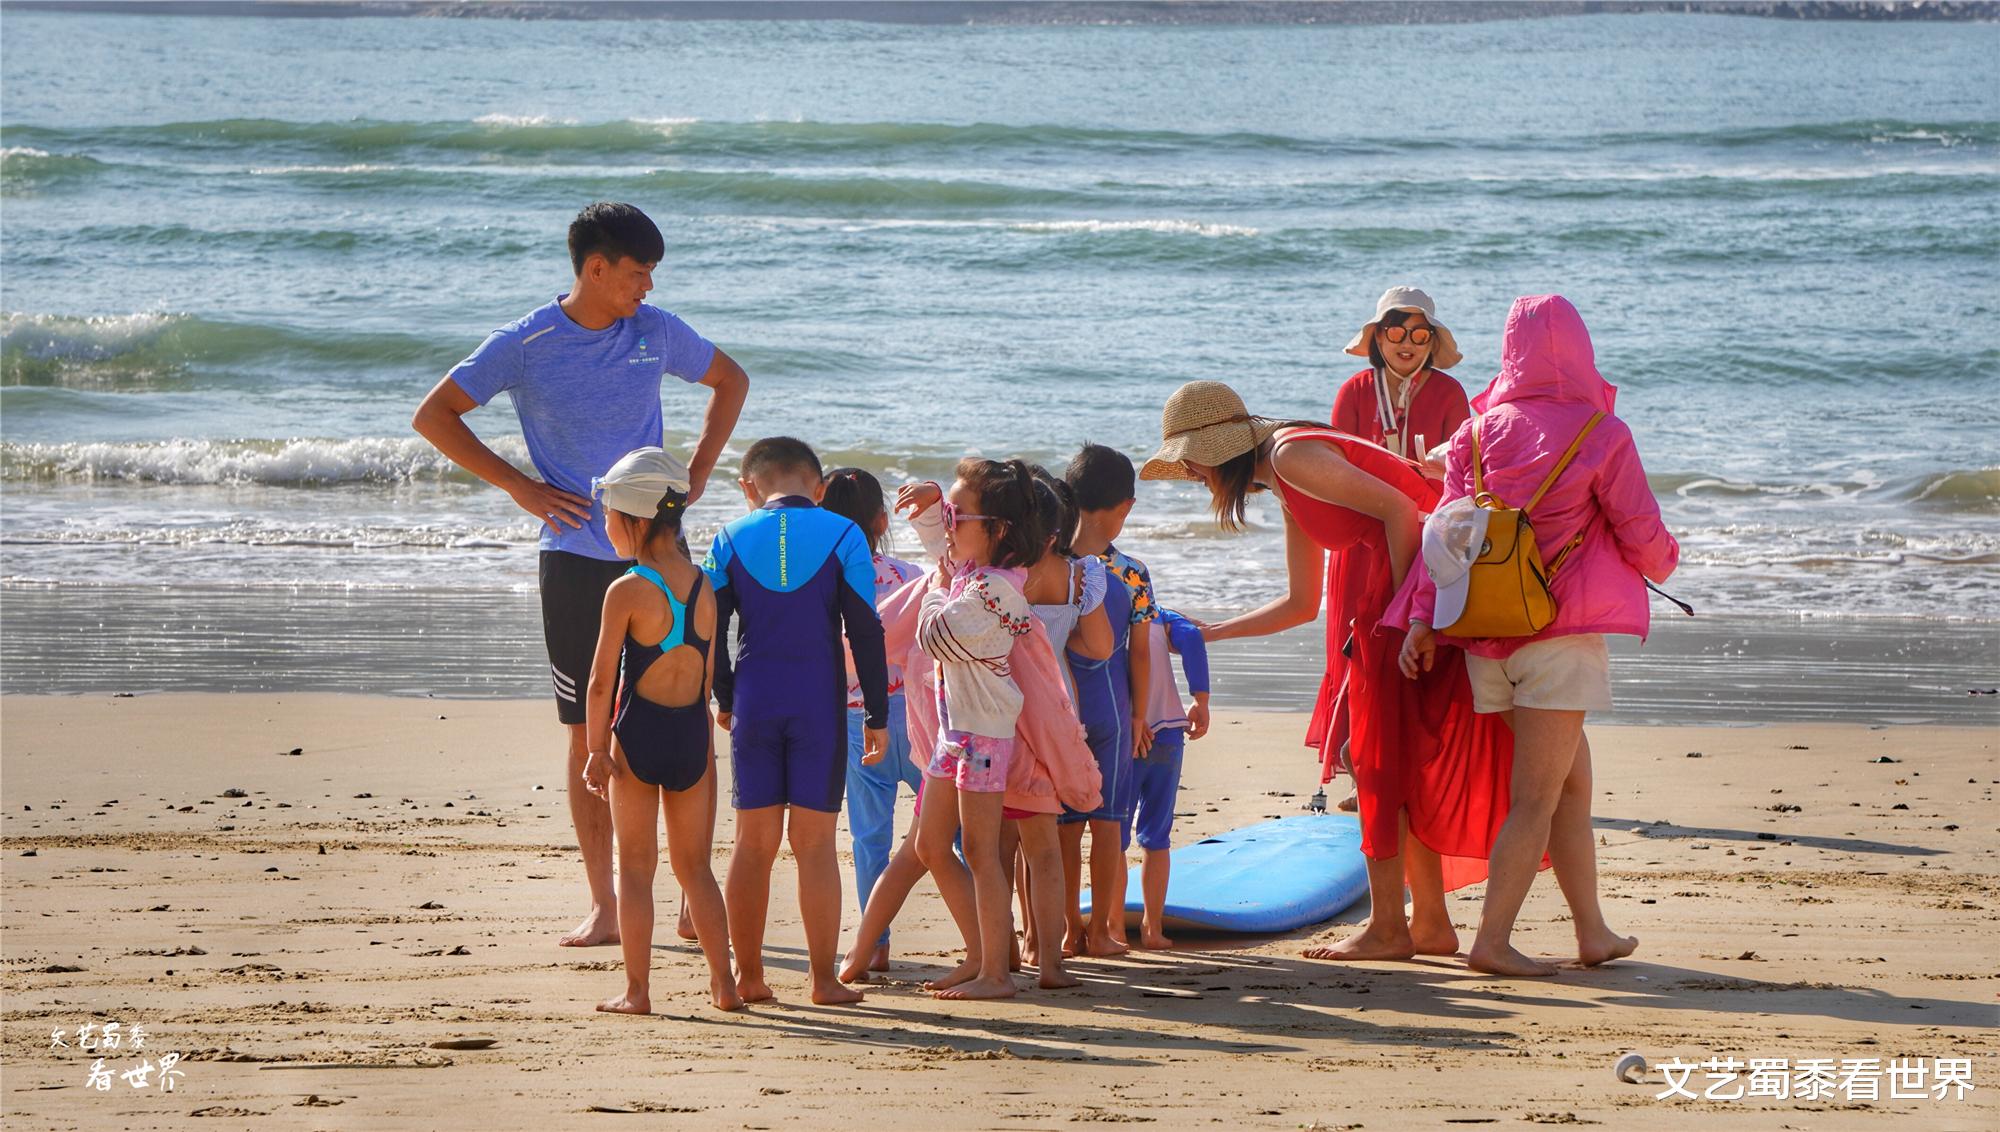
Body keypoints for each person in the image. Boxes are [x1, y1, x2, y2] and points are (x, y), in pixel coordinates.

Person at [412, 201, 749, 948]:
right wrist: (520, 487)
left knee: (686, 716)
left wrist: (694, 473)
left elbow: (731, 381)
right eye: (636, 274)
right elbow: (434, 415)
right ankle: (605, 903)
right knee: (585, 732)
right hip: (572, 560)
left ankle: (693, 894)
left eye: (652, 275)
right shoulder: (525, 342)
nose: (647, 289)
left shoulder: (654, 332)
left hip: (662, 559)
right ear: (595, 269)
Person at [1142, 380, 1513, 963]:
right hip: (1398, 607)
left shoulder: (1293, 455)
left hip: (1404, 607)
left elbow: (1403, 512)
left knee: (1378, 768)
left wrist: (1405, 622)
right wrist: (1210, 633)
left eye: (1190, 460)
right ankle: (1431, 923)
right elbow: (1300, 604)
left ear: (1218, 449)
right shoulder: (1284, 477)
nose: (1190, 475)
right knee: (1393, 767)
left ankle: (1390, 928)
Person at [1395, 294, 1678, 977]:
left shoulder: (1474, 433)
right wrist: (1666, 563)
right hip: (1560, 639)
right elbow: (1643, 535)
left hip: (1486, 639)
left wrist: (1422, 619)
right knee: (1537, 798)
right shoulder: (1601, 434)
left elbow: (1447, 538)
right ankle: (1492, 941)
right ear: (1580, 349)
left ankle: (1593, 933)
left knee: (1570, 788)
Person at [705, 437, 887, 1006]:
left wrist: (725, 696)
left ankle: (749, 977)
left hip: (757, 699)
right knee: (814, 845)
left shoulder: (729, 536)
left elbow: (710, 630)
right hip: (818, 704)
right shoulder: (844, 534)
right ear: (820, 486)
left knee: (751, 845)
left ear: (748, 486)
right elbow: (865, 630)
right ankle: (822, 981)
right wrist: (878, 713)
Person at [913, 459, 1099, 1000]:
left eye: (956, 514)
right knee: (931, 844)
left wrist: (936, 590)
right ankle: (981, 956)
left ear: (997, 530)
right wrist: (930, 511)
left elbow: (937, 636)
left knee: (980, 851)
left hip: (983, 737)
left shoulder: (995, 592)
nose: (948, 524)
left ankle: (997, 971)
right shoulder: (974, 575)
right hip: (959, 732)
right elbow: (940, 558)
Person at [578, 448, 741, 1014]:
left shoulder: (625, 589)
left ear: (637, 519)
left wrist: (596, 749)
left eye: (608, 515)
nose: (605, 524)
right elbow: (706, 676)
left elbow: (601, 683)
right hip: (692, 742)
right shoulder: (703, 585)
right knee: (696, 868)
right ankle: (725, 985)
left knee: (638, 871)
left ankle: (638, 991)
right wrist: (704, 747)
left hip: (638, 739)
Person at [1319, 287, 1472, 802]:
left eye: (1419, 334)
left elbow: (1463, 478)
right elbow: (1334, 470)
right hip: (1361, 548)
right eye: (1395, 332)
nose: (1407, 343)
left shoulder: (1450, 394)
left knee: (1416, 650)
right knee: (1357, 649)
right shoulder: (1355, 390)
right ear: (1377, 337)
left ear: (1432, 341)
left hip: (1428, 543)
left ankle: (1414, 767)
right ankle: (1363, 762)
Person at [819, 468, 924, 975]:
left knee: (869, 837)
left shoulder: (822, 583)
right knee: (957, 834)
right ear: (882, 519)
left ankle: (875, 942)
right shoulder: (910, 575)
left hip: (857, 717)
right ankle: (990, 937)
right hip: (920, 716)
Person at [1060, 443, 1156, 956]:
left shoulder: (1048, 564)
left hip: (1058, 710)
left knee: (1061, 829)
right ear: (1125, 507)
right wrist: (1141, 714)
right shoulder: (1131, 572)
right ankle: (1101, 932)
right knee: (1108, 824)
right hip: (1114, 709)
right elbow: (1139, 654)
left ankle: (1063, 930)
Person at [1130, 607, 1210, 950]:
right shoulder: (1159, 614)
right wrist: (1201, 701)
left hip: (1126, 733)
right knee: (1156, 835)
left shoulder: (1100, 609)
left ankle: (1113, 928)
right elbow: (1192, 636)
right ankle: (1153, 927)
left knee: (1112, 834)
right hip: (1168, 733)